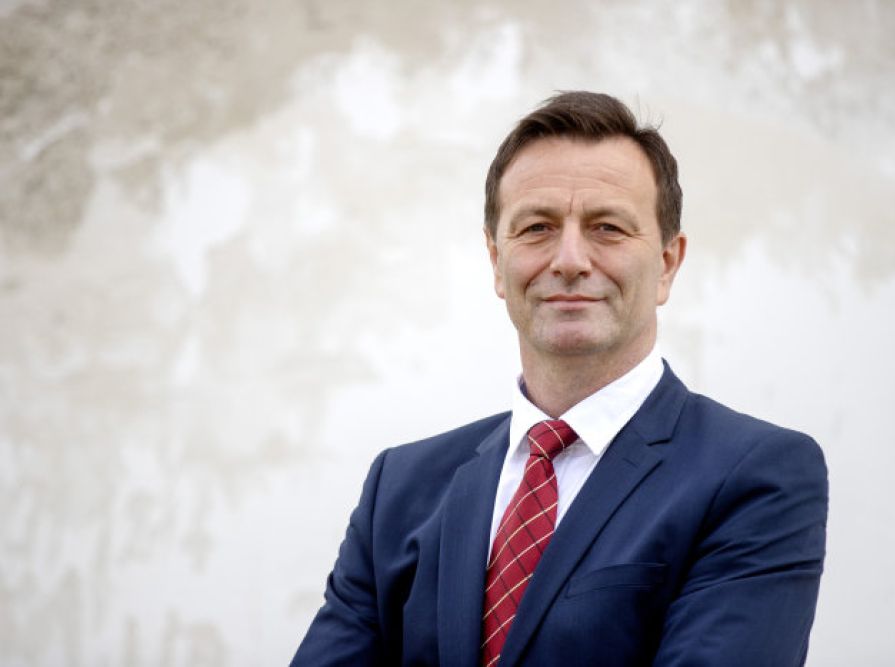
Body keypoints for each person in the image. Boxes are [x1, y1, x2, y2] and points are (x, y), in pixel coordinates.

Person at [291, 91, 828, 666]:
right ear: (496, 262)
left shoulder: (755, 477)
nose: (569, 259)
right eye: (537, 227)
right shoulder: (399, 488)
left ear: (667, 264)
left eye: (608, 228)